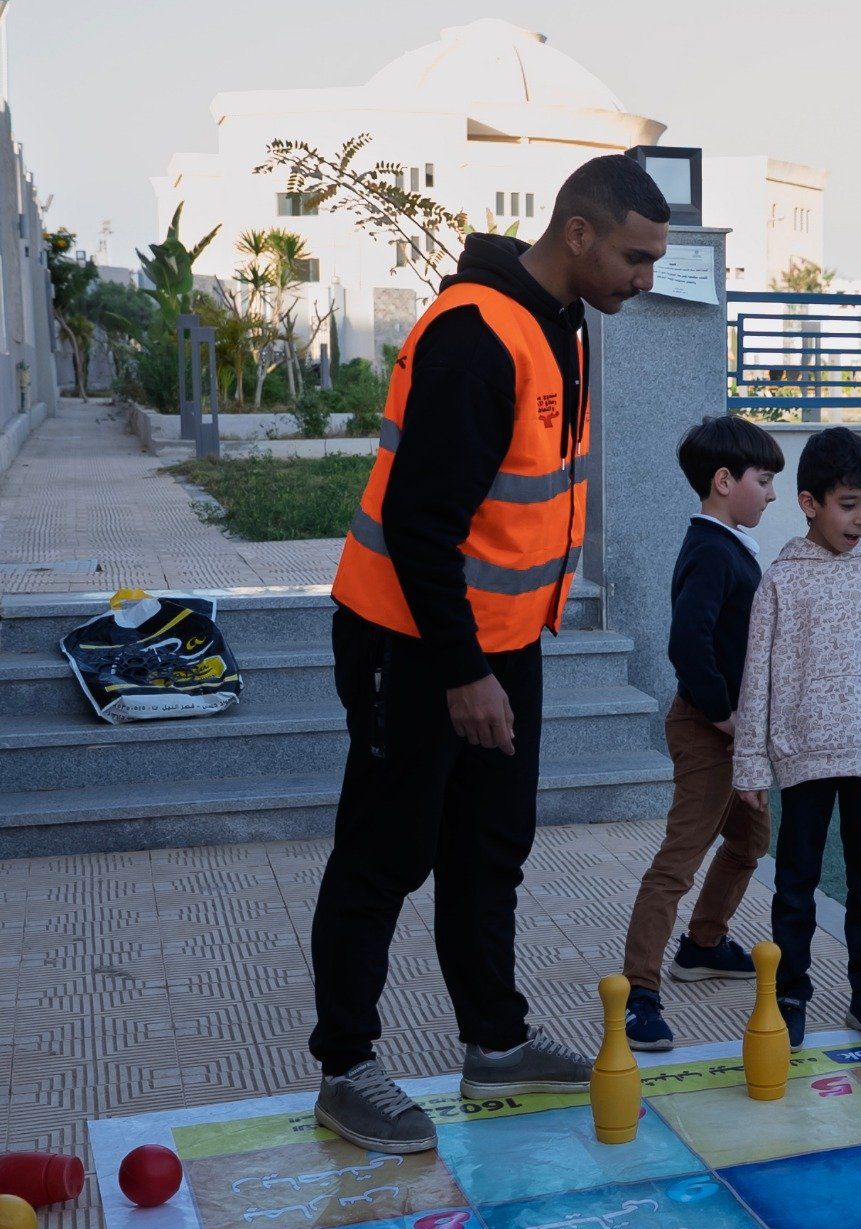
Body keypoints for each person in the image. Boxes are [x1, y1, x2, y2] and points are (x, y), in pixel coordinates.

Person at [307, 153, 669, 1154]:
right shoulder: (475, 333)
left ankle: (495, 1041)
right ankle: (346, 1064)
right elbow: (423, 527)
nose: (645, 280)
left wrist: (495, 656)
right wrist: (463, 671)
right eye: (636, 257)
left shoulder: (562, 321)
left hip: (502, 638)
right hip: (411, 639)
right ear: (581, 232)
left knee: (488, 847)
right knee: (385, 856)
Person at [733, 428, 861, 1048]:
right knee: (796, 882)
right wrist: (751, 765)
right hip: (804, 760)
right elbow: (756, 676)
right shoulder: (782, 581)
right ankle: (789, 994)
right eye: (849, 504)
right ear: (810, 502)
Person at [616, 414, 787, 1051]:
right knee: (678, 862)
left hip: (735, 734)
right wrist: (727, 720)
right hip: (709, 730)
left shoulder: (730, 544)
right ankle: (640, 992)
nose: (771, 494)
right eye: (764, 480)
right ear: (723, 480)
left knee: (748, 842)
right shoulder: (711, 550)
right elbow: (686, 645)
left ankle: (704, 944)